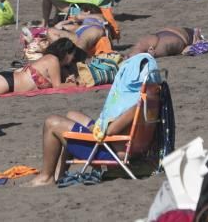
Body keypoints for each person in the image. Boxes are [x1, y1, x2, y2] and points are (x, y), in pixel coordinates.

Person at [23, 58, 149, 187]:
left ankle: (46, 177)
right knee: (72, 115)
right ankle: (58, 175)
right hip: (124, 146)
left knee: (52, 123)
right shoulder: (149, 98)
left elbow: (111, 131)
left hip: (110, 152)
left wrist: (98, 126)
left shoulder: (134, 105)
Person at [0, 38, 84, 96]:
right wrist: (77, 84)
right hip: (6, 83)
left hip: (7, 81)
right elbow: (57, 87)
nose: (72, 59)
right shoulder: (53, 60)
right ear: (67, 53)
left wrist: (68, 80)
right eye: (72, 55)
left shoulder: (50, 59)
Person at [46, 12, 111, 55]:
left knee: (82, 43)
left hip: (94, 29)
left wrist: (81, 16)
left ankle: (75, 61)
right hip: (79, 32)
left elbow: (102, 18)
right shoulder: (76, 25)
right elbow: (57, 27)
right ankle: (59, 54)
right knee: (50, 31)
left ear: (87, 11)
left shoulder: (93, 16)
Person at [128, 27, 203, 57]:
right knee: (145, 48)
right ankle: (130, 57)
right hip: (177, 37)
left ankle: (128, 57)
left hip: (164, 33)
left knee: (141, 46)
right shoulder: (187, 40)